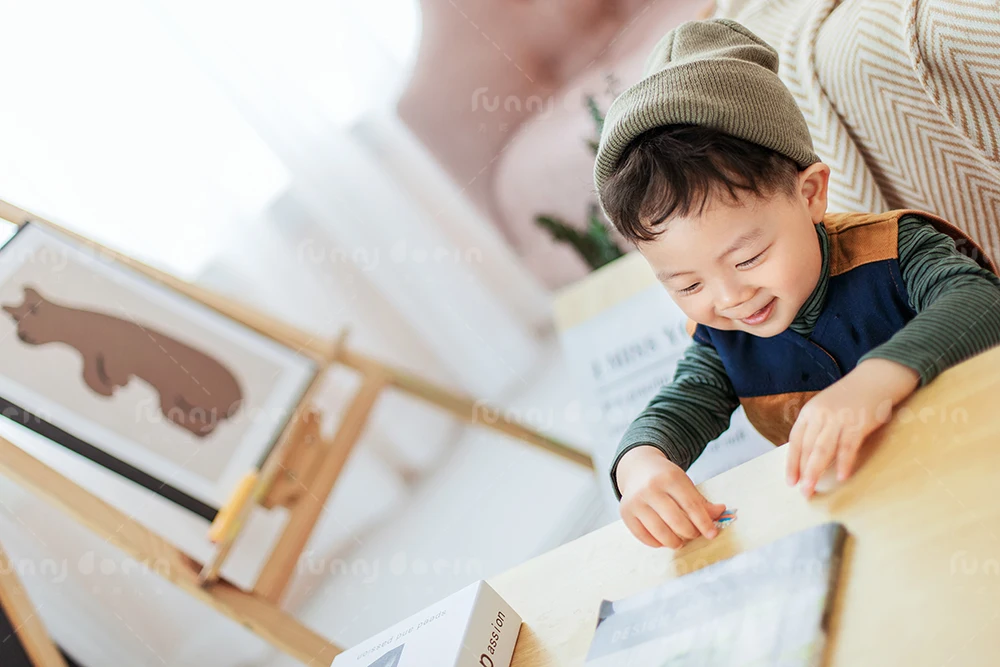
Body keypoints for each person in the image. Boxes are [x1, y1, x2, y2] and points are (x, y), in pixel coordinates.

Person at [592, 18, 1000, 549]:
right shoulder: (724, 335)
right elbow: (683, 402)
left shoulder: (896, 250)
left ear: (810, 194)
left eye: (749, 257)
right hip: (881, 516)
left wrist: (874, 382)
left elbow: (980, 301)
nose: (729, 298)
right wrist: (640, 466)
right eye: (688, 285)